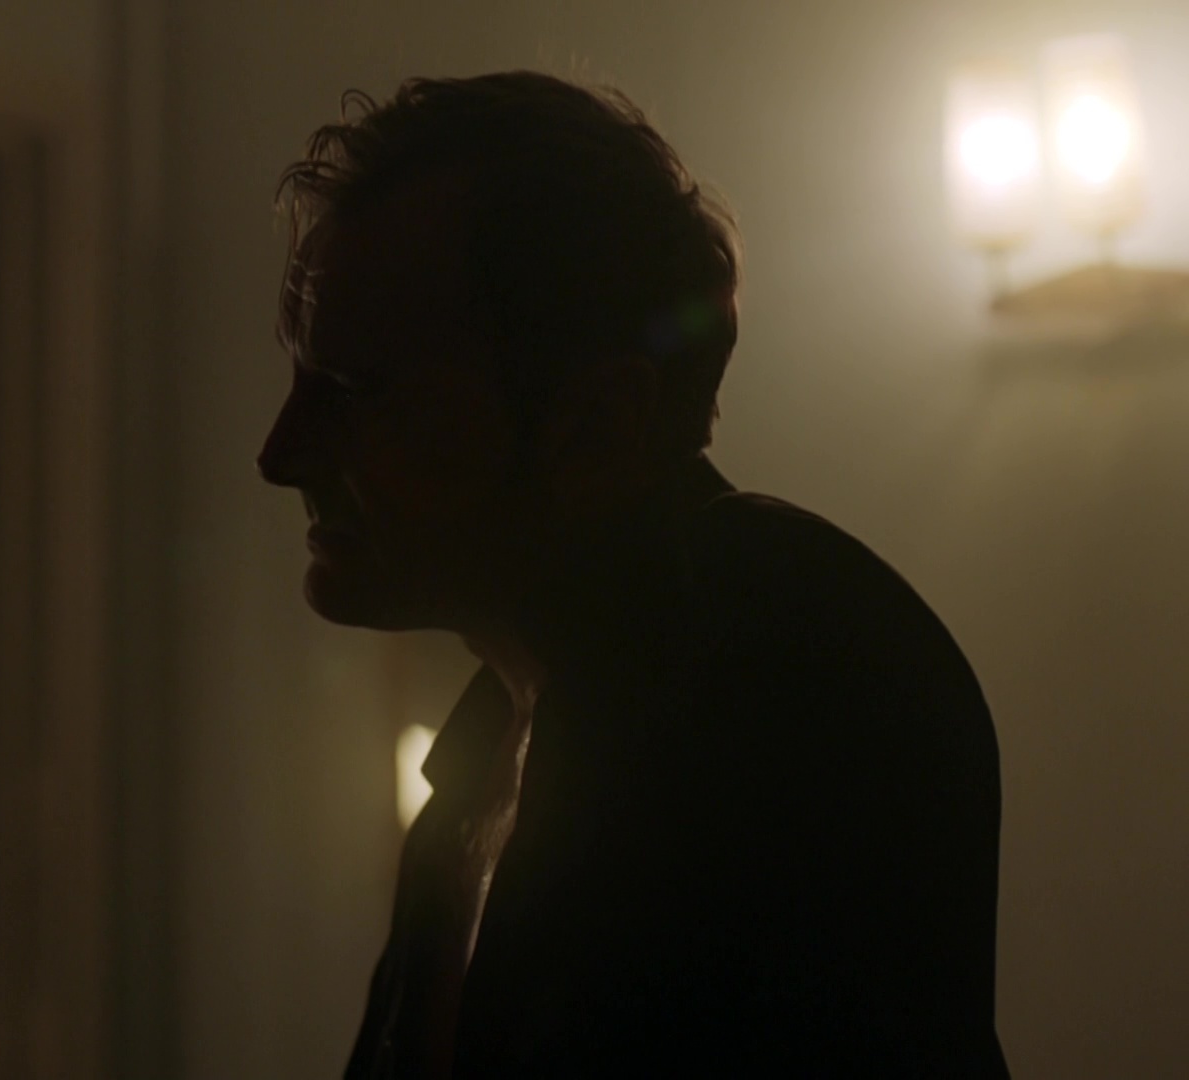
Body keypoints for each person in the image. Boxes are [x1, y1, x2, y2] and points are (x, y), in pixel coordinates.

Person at [259, 72, 1009, 1078]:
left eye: (356, 391)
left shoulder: (799, 676)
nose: (281, 453)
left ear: (596, 426)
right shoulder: (480, 767)